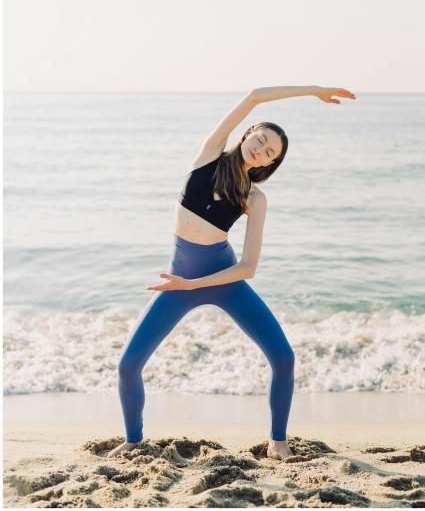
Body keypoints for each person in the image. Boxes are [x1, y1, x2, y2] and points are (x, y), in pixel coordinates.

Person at [108, 85, 356, 460]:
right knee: (128, 365)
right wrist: (313, 91)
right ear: (248, 133)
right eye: (261, 139)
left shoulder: (255, 199)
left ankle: (278, 443)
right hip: (179, 281)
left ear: (268, 164)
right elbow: (255, 95)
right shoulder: (208, 155)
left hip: (222, 281)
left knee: (284, 357)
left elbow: (248, 268)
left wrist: (191, 284)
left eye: (270, 152)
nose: (261, 149)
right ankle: (133, 440)